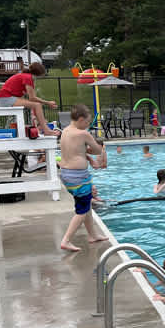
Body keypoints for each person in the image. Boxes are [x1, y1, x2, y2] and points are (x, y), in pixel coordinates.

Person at [58, 103, 108, 252]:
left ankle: (92, 235)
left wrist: (86, 154)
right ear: (80, 119)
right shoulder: (83, 134)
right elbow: (97, 149)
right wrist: (97, 150)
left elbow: (75, 151)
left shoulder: (65, 131)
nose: (88, 125)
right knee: (81, 211)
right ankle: (66, 240)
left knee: (86, 206)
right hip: (78, 176)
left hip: (66, 174)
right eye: (87, 122)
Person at [0, 62, 59, 137]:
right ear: (39, 73)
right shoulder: (28, 78)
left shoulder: (25, 76)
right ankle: (46, 130)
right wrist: (48, 103)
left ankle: (42, 126)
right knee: (37, 105)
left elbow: (31, 99)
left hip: (5, 98)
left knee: (36, 105)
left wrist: (39, 116)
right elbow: (32, 98)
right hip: (6, 99)